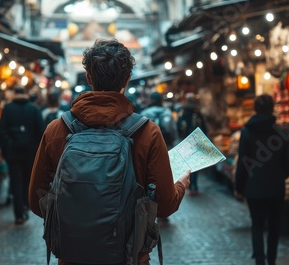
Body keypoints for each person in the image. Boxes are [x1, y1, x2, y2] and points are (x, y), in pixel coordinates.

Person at [28, 38, 190, 265]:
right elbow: (164, 205)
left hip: (72, 259)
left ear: (89, 77)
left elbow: (37, 201)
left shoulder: (56, 130)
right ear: (127, 78)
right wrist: (181, 184)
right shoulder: (147, 133)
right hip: (129, 259)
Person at [234, 94, 289, 265]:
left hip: (253, 189)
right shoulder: (281, 132)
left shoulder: (246, 132)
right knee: (274, 227)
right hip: (276, 188)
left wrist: (239, 187)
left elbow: (242, 164)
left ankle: (260, 261)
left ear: (255, 109)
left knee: (257, 225)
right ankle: (272, 260)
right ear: (271, 109)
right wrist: (280, 175)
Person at [0, 85, 43, 225]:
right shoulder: (34, 109)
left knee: (16, 181)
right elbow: (41, 131)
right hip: (30, 152)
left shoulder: (8, 108)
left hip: (13, 152)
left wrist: (6, 148)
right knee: (28, 180)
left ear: (14, 94)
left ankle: (18, 214)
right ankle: (25, 205)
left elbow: (1, 131)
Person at [177, 93, 208, 196]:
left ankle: (190, 185)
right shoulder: (197, 112)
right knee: (195, 163)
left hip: (186, 141)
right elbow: (204, 127)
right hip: (197, 141)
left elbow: (178, 126)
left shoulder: (183, 111)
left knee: (188, 164)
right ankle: (194, 185)